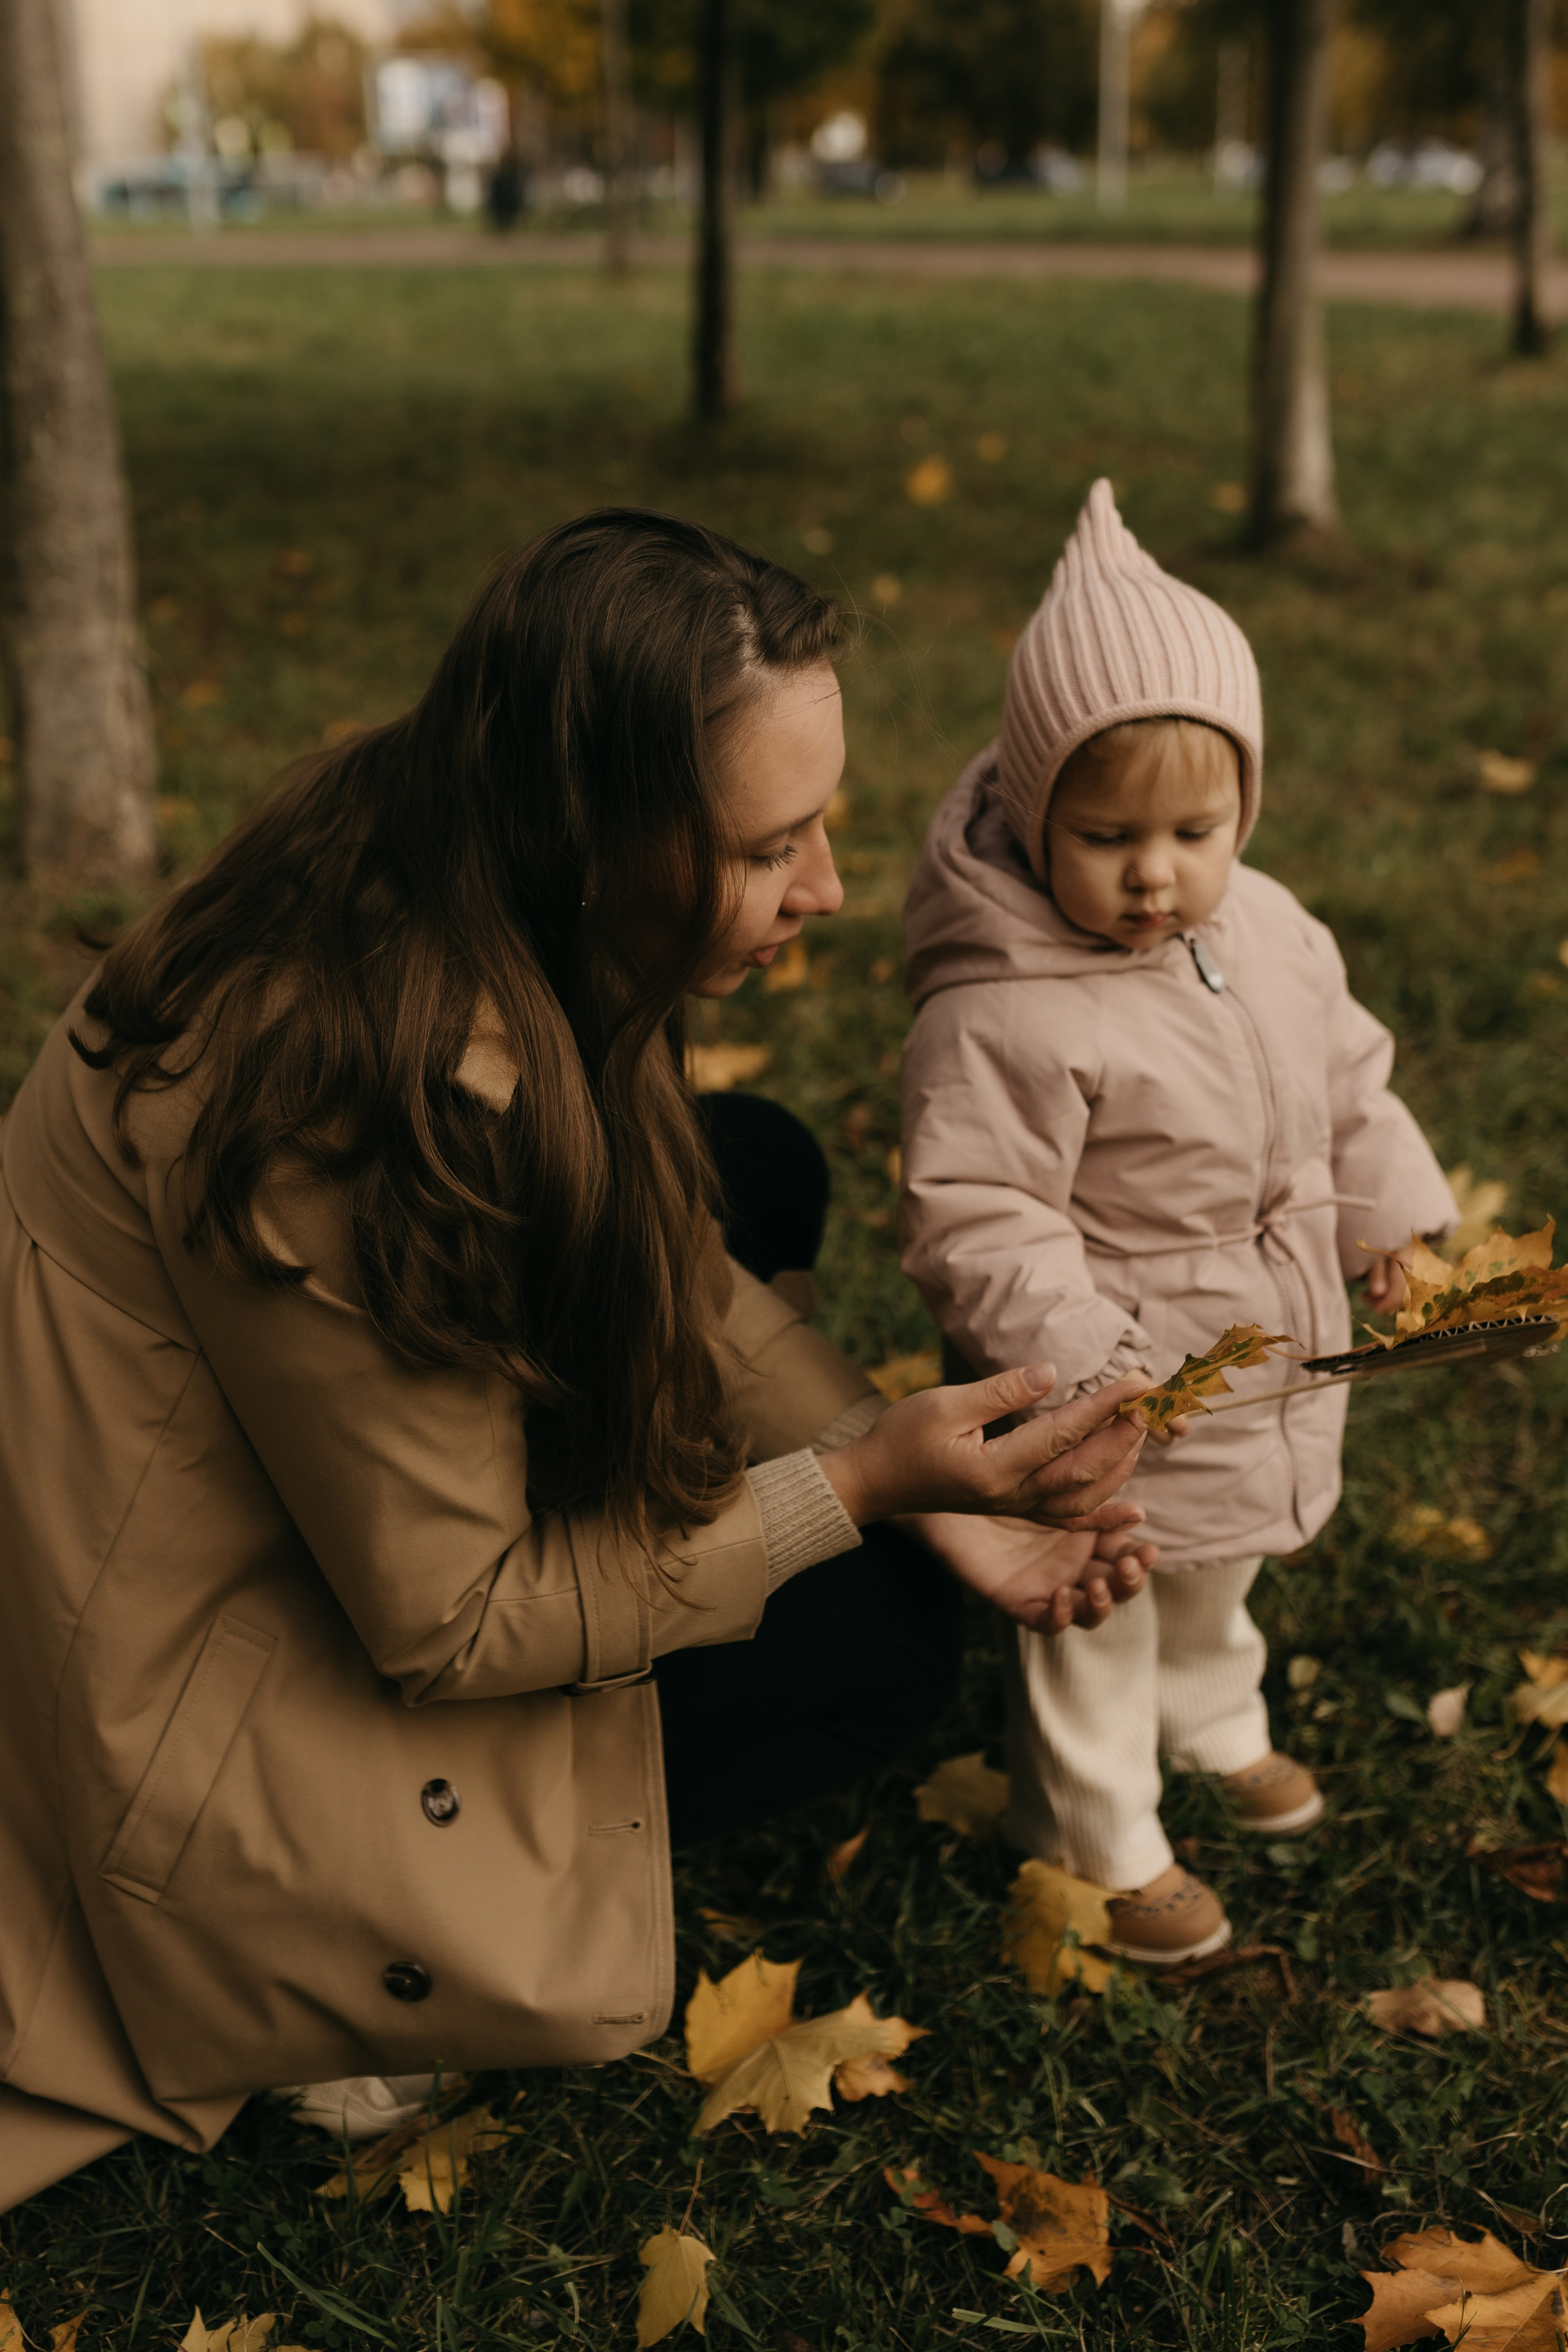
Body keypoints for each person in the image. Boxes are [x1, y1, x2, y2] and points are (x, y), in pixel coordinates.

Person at [0, 509, 1159, 2209]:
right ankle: (334, 1981)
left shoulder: (425, 831)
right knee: (886, 1637)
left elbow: (662, 1237)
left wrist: (888, 1456)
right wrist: (854, 1489)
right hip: (194, 1707)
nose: (828, 888)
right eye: (774, 847)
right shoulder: (356, 1114)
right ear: (594, 839)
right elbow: (455, 1615)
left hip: (210, 1476)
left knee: (746, 1160)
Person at [899, 480, 1457, 1966]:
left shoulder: (1266, 927)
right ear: (1031, 815)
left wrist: (1385, 1217)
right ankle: (1093, 1828)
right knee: (1102, 1590)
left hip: (1253, 1341)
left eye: (1194, 829)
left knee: (1218, 1564)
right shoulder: (1002, 1011)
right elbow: (977, 1211)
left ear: (1243, 811)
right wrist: (1089, 1360)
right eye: (1106, 835)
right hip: (1106, 1372)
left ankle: (1210, 1716)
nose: (1155, 873)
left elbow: (1344, 1077)